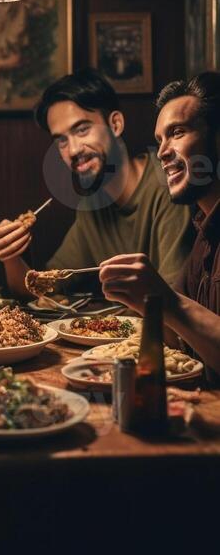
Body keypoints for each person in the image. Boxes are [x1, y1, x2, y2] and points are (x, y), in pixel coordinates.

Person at [0, 69, 195, 297]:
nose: (73, 150)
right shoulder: (93, 205)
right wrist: (10, 256)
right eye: (62, 141)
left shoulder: (168, 183)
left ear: (115, 124)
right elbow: (43, 289)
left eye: (83, 129)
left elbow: (174, 303)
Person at [99, 72, 220, 377]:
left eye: (177, 132)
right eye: (159, 140)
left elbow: (178, 311)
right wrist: (145, 302)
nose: (163, 152)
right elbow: (180, 340)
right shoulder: (205, 228)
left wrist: (169, 302)